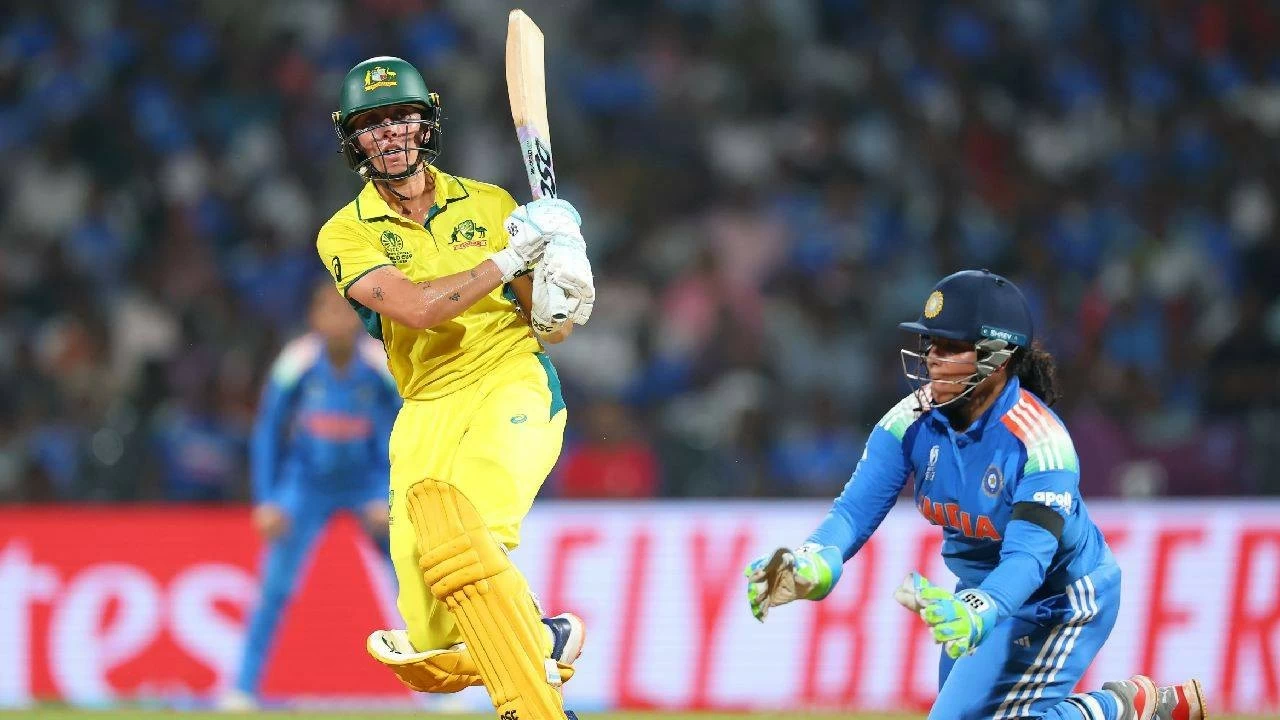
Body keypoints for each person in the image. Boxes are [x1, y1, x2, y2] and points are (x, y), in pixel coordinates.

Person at [744, 270, 1207, 720]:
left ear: (997, 358)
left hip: (1061, 599)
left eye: (951, 348)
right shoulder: (910, 421)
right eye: (931, 344)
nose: (932, 359)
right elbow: (851, 512)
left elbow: (1028, 560)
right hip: (980, 593)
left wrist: (982, 608)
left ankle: (1121, 708)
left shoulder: (1041, 445)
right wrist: (816, 562)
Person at [318, 56, 593, 720]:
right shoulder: (344, 232)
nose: (389, 133)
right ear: (353, 139)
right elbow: (417, 309)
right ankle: (541, 638)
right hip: (425, 407)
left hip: (511, 381)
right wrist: (510, 256)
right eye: (372, 123)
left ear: (427, 123)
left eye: (401, 117)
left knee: (469, 538)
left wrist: (565, 276)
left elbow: (550, 328)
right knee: (433, 636)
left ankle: (530, 693)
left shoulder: (491, 203)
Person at [224, 282, 402, 709]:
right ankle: (242, 689)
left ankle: (442, 693)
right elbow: (268, 429)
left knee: (410, 583)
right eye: (328, 311)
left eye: (345, 312)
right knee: (274, 587)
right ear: (313, 318)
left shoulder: (380, 362)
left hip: (367, 483)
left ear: (360, 318)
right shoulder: (296, 361)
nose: (337, 321)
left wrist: (389, 493)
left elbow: (406, 428)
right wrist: (268, 499)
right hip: (305, 484)